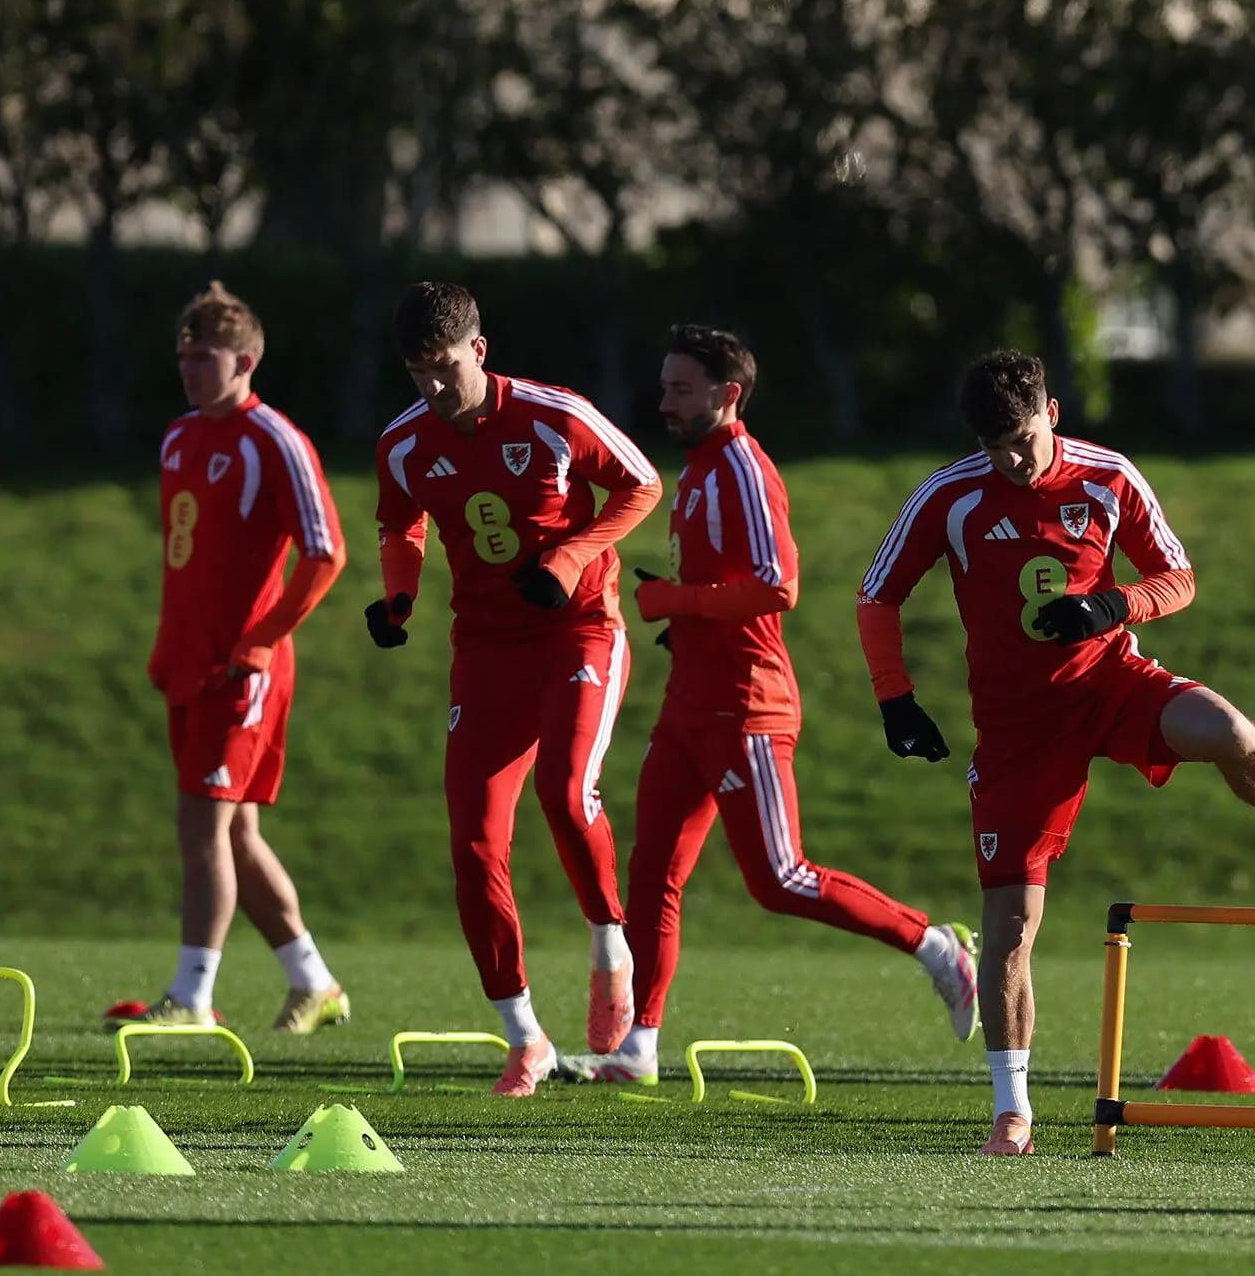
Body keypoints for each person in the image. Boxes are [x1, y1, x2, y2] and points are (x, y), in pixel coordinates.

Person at [861, 349, 1255, 1156]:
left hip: (1111, 682)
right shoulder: (951, 495)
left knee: (1232, 733)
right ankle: (1014, 1110)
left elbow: (1177, 576)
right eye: (995, 444)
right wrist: (895, 698)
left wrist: (1113, 603)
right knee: (1009, 925)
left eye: (1024, 438)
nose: (1012, 458)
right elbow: (877, 595)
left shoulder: (1108, 476)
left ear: (1053, 413)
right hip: (1017, 729)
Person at [566, 324, 977, 1085]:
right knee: (652, 872)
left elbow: (779, 583)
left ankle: (937, 947)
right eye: (663, 387)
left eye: (679, 389)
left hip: (747, 708)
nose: (664, 402)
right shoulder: (699, 472)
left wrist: (672, 600)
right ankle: (639, 1048)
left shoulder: (745, 471)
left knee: (780, 878)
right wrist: (684, 616)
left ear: (728, 394)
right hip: (690, 704)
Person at [367, 280, 662, 1094]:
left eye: (446, 367)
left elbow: (642, 484)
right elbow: (401, 522)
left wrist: (568, 561)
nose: (433, 387)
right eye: (418, 371)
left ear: (480, 351)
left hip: (578, 628)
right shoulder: (403, 442)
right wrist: (399, 596)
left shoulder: (553, 414)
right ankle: (525, 1036)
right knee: (473, 843)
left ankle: (611, 949)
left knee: (567, 795)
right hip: (486, 648)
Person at [117, 282, 352, 1035]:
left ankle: (191, 997)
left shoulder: (274, 440)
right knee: (236, 834)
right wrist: (166, 644)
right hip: (189, 665)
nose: (188, 369)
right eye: (183, 356)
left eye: (204, 357)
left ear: (245, 360)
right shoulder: (180, 439)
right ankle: (314, 983)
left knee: (202, 825)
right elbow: (181, 562)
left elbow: (325, 554)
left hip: (242, 671)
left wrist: (261, 639)